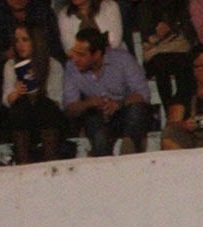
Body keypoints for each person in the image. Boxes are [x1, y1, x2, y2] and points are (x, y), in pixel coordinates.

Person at [62, 27, 153, 155]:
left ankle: (130, 150)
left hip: (124, 112)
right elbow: (69, 108)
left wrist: (118, 104)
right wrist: (90, 103)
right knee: (97, 130)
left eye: (81, 54)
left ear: (97, 54)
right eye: (74, 52)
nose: (75, 58)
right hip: (96, 115)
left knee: (137, 110)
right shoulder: (72, 67)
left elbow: (143, 94)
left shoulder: (122, 60)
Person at [2, 23, 65, 163]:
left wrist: (36, 85)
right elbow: (7, 100)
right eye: (17, 41)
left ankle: (51, 160)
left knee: (45, 106)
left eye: (25, 40)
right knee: (20, 107)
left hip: (46, 115)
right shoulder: (10, 65)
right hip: (22, 116)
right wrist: (17, 92)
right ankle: (22, 162)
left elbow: (57, 102)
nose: (20, 45)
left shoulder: (53, 65)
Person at [0, 0, 63, 70]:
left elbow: (55, 48)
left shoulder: (44, 12)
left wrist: (37, 51)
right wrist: (5, 55)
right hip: (5, 70)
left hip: (43, 67)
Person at [57, 0, 124, 55]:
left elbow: (115, 43)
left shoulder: (110, 7)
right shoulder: (64, 15)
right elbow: (69, 49)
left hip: (114, 57)